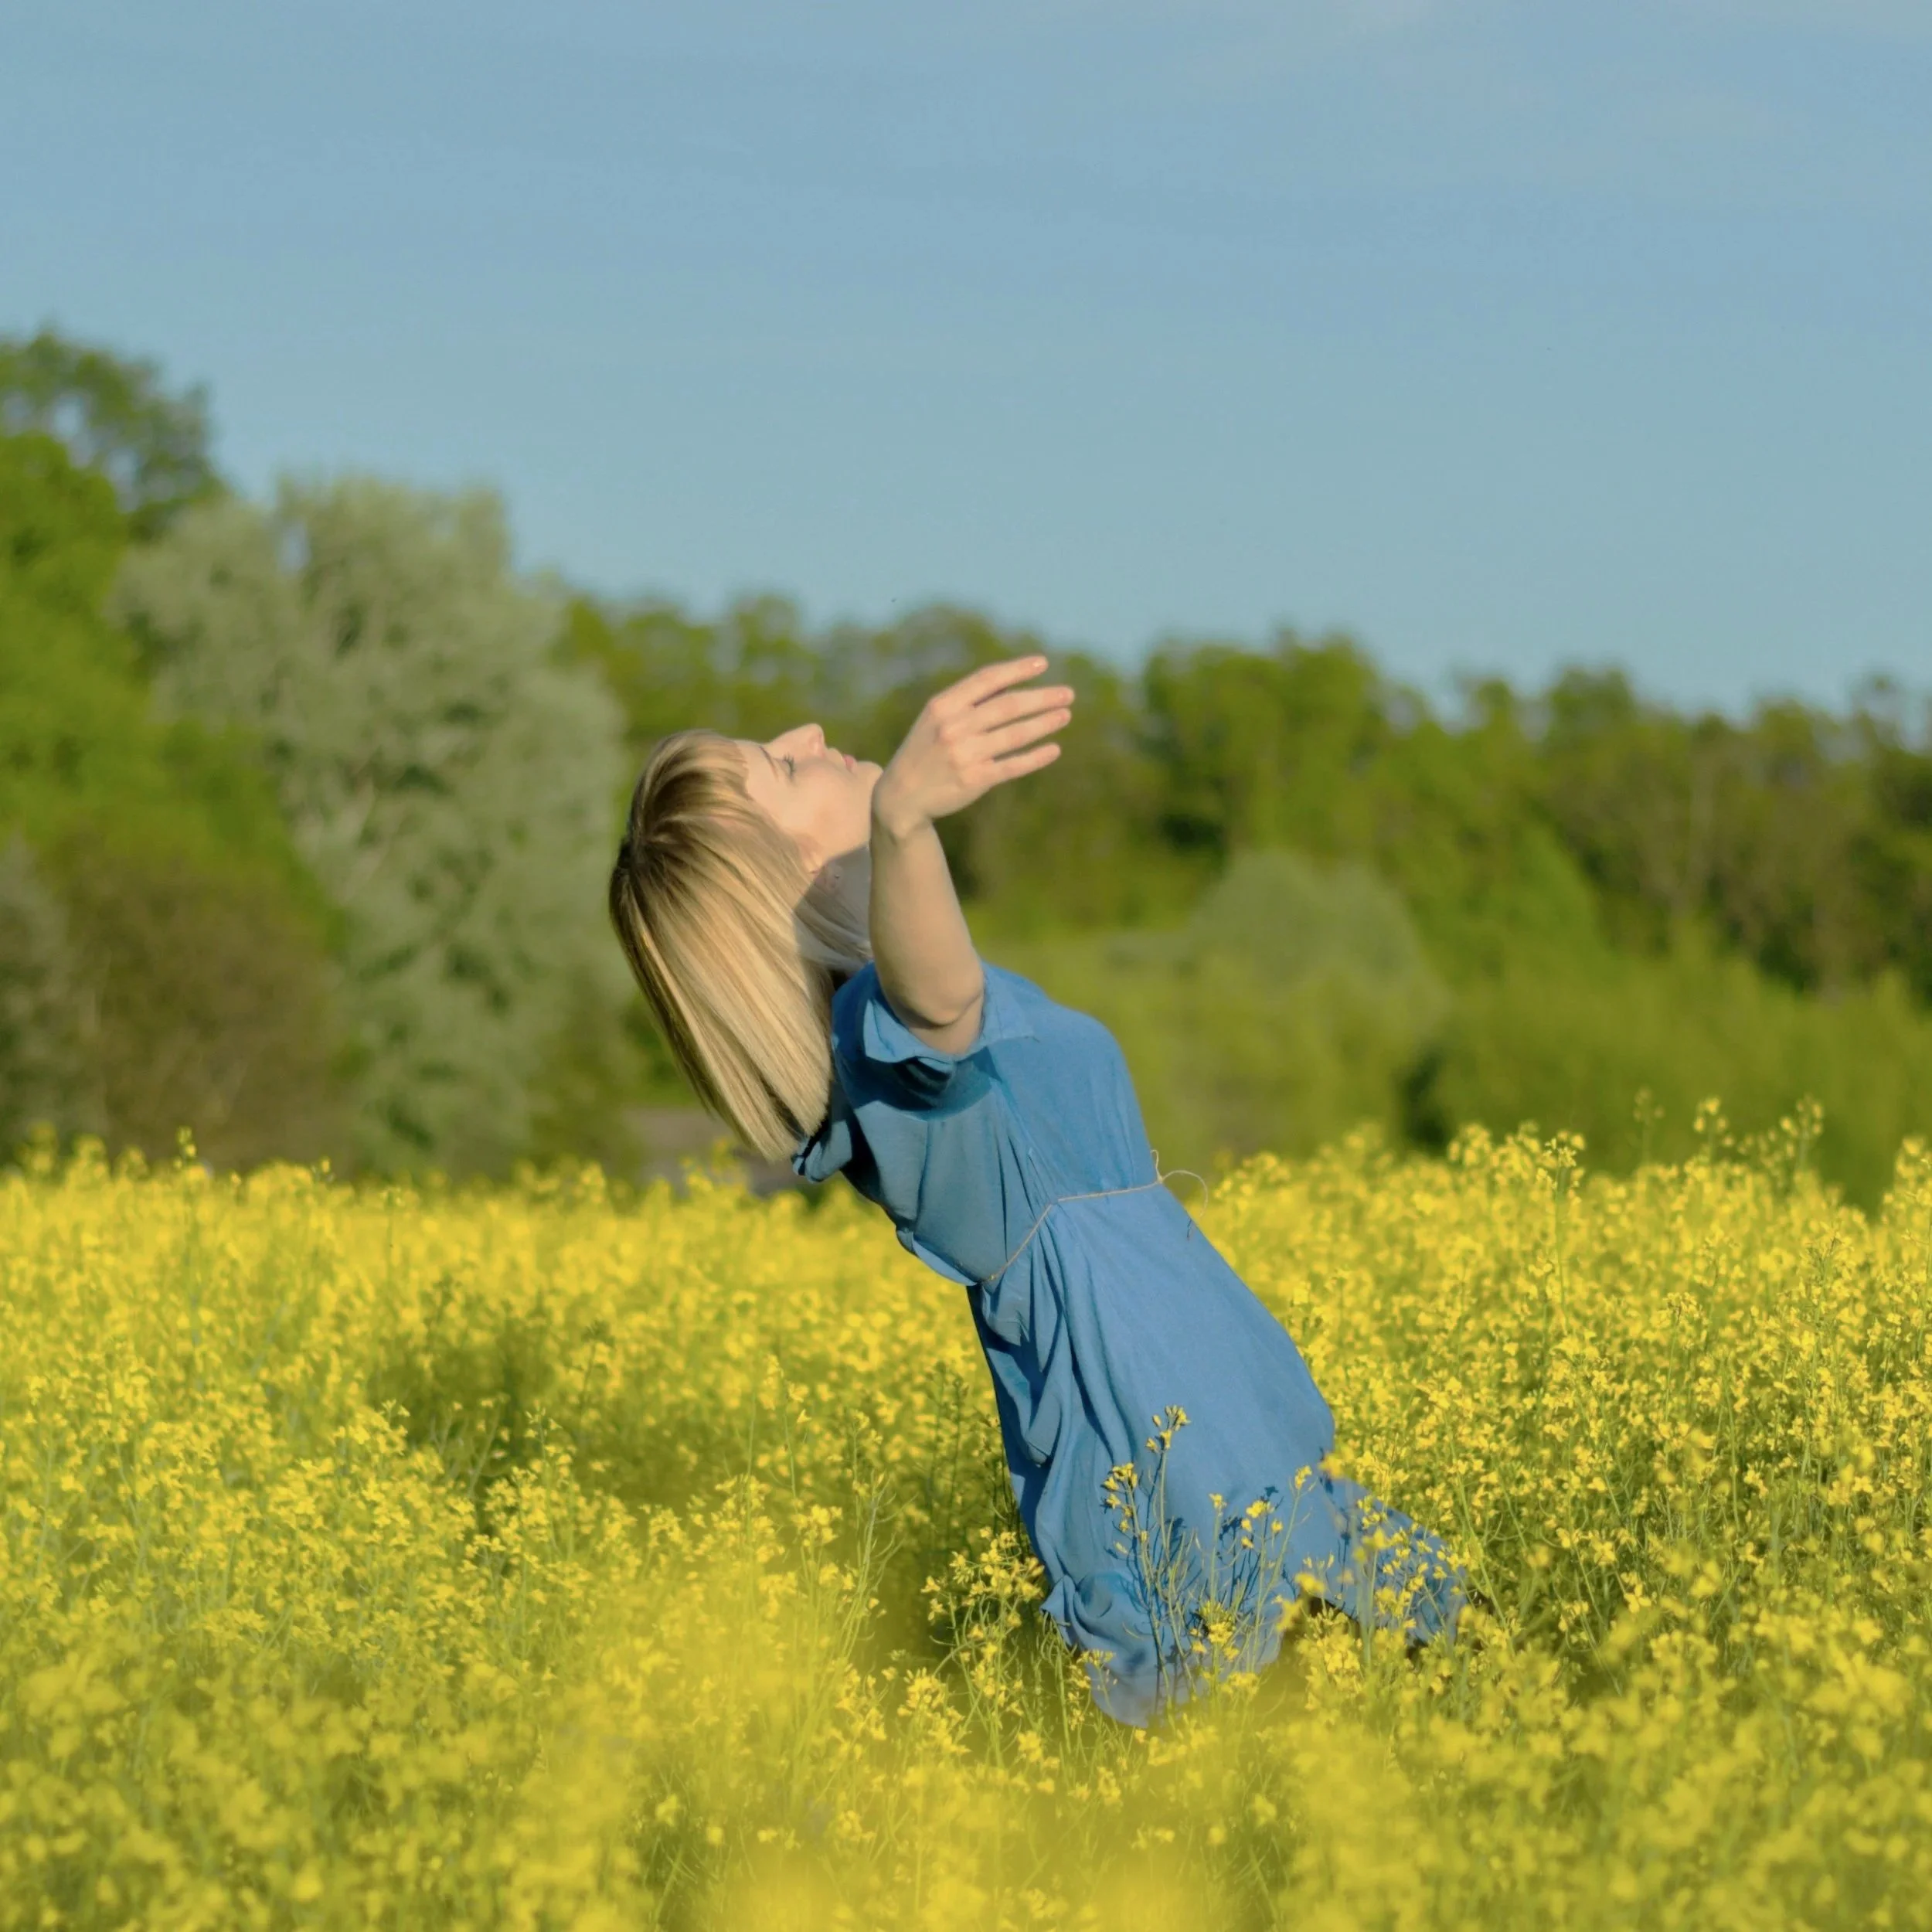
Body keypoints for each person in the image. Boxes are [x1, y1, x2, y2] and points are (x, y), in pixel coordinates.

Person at [608, 654, 1469, 1725]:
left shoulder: (894, 1033)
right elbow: (940, 1001)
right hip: (1163, 1459)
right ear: (784, 871)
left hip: (1222, 1429)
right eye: (783, 769)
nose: (812, 730)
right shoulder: (886, 1057)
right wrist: (907, 826)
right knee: (1322, 1754)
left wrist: (900, 839)